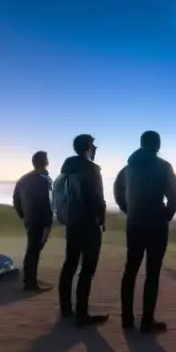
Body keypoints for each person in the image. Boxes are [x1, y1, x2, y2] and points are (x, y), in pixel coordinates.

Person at [114, 130, 176, 333]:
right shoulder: (163, 167)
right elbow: (175, 196)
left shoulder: (127, 169)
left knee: (131, 269)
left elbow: (118, 194)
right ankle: (147, 321)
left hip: (134, 224)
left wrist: (130, 210)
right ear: (157, 145)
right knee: (152, 272)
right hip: (156, 226)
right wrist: (166, 214)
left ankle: (127, 319)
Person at [57, 135, 110, 326]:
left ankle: (65, 310)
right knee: (87, 268)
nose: (95, 148)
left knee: (70, 263)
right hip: (88, 223)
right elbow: (96, 198)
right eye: (93, 145)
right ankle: (82, 314)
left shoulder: (68, 170)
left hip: (72, 222)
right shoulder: (91, 169)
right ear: (88, 147)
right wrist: (101, 219)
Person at [12, 150, 54, 292]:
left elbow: (16, 199)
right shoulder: (44, 179)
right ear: (45, 162)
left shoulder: (24, 179)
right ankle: (30, 282)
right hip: (40, 220)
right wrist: (48, 223)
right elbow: (47, 202)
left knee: (33, 249)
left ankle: (30, 278)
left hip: (30, 219)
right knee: (34, 250)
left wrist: (23, 215)